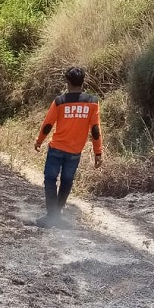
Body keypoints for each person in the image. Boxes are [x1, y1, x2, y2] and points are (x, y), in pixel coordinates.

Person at [34, 66, 103, 228]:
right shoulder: (92, 102)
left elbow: (48, 124)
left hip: (56, 148)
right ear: (83, 81)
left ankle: (52, 216)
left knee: (50, 179)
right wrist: (98, 152)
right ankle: (56, 215)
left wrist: (39, 141)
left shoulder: (60, 101)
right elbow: (95, 130)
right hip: (74, 151)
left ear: (67, 82)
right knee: (67, 181)